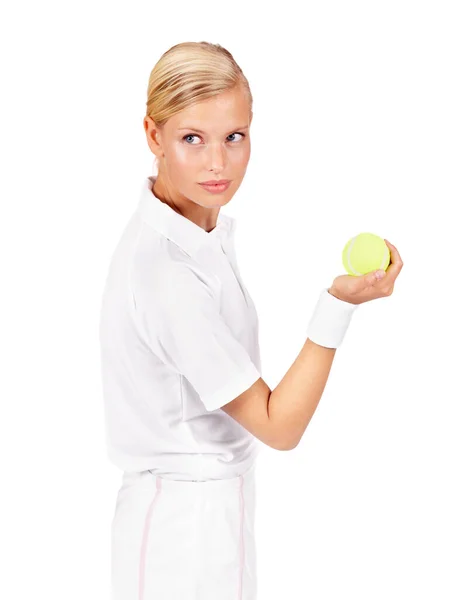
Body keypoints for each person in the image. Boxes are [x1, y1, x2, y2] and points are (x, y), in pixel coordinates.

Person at [98, 41, 403, 600]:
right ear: (152, 137)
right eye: (192, 138)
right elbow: (278, 425)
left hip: (209, 514)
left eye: (233, 136)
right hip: (181, 536)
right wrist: (337, 305)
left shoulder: (197, 234)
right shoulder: (168, 274)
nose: (218, 162)